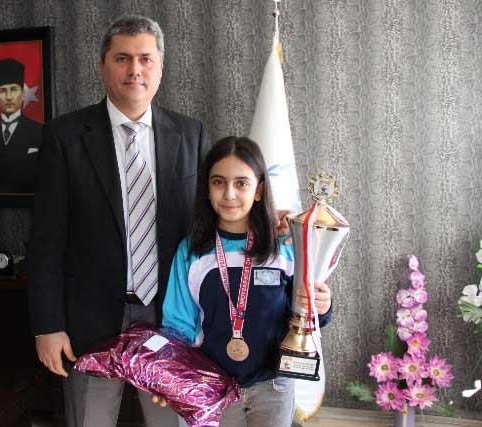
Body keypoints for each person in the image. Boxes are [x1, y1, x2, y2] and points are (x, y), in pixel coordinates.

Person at [27, 16, 210, 427]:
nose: (135, 69)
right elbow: (46, 241)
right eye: (122, 58)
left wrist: (269, 228)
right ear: (103, 66)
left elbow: (211, 224)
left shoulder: (191, 134)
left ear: (160, 68)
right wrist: (48, 326)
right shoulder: (65, 136)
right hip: (88, 324)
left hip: (170, 319)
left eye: (145, 59)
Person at [160, 136, 332, 427]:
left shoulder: (285, 246)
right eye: (218, 182)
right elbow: (178, 325)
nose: (229, 194)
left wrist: (322, 306)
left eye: (241, 183)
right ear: (207, 188)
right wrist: (169, 372)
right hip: (211, 386)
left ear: (259, 190)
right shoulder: (191, 251)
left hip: (273, 385)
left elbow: (306, 315)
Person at [0, 58, 42, 193]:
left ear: (22, 94)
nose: (9, 97)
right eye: (2, 90)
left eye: (14, 89)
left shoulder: (40, 131)